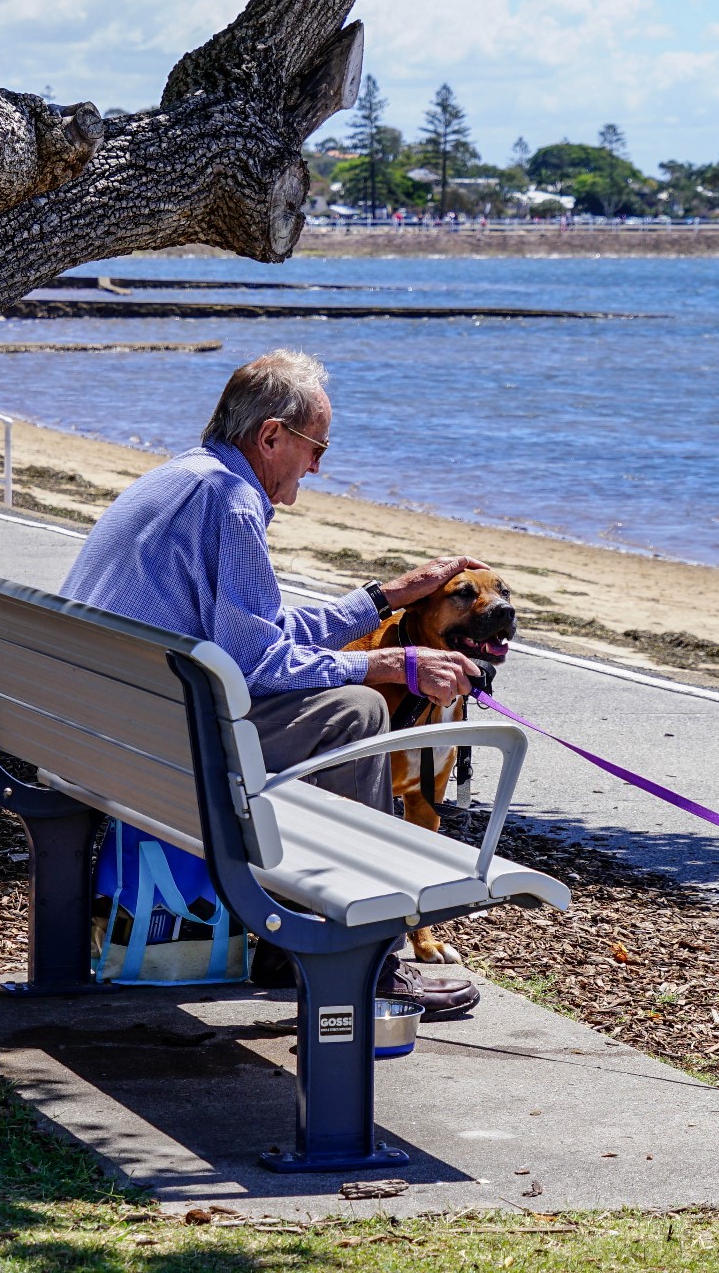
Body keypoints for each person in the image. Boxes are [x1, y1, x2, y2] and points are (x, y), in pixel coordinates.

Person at [60, 349, 486, 1017]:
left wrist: (382, 598)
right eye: (316, 447)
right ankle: (360, 957)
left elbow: (258, 629)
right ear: (271, 437)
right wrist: (389, 666)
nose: (318, 465)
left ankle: (293, 942)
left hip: (88, 727)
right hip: (152, 746)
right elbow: (259, 663)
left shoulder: (184, 479)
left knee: (342, 703)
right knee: (355, 713)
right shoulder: (233, 504)